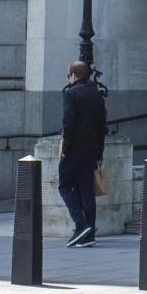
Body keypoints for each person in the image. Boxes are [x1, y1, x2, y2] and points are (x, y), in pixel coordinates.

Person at [57, 61, 106, 248]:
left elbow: (68, 123)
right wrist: (100, 152)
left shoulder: (71, 93)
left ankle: (81, 225)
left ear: (73, 75)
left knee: (64, 186)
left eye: (68, 75)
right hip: (92, 149)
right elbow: (102, 126)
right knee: (86, 189)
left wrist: (65, 148)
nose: (68, 78)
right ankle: (89, 233)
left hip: (75, 149)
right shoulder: (96, 94)